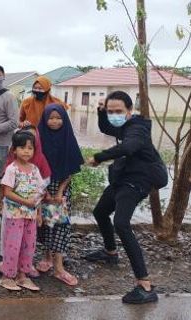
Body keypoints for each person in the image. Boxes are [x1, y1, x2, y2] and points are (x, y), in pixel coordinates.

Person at [85, 91, 166, 304]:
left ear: (130, 111)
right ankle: (110, 253)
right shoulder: (123, 124)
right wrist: (101, 112)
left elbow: (129, 146)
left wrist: (99, 157)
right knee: (100, 212)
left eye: (118, 111)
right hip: (124, 176)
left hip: (139, 180)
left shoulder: (138, 127)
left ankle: (145, 285)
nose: (115, 115)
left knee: (121, 223)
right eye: (112, 111)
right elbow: (106, 128)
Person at [36, 103, 84, 286]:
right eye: (51, 118)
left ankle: (58, 267)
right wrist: (45, 191)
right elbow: (35, 165)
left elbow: (71, 168)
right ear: (45, 119)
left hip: (61, 189)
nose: (54, 121)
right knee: (46, 224)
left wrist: (59, 191)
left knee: (60, 224)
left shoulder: (68, 138)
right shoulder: (39, 139)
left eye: (58, 118)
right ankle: (47, 257)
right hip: (43, 187)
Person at [0, 130, 45, 292]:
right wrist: (25, 202)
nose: (26, 151)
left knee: (28, 245)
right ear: (14, 150)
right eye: (23, 147)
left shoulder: (34, 169)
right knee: (13, 245)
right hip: (14, 215)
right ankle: (7, 276)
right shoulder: (12, 169)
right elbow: (7, 192)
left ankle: (22, 275)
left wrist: (38, 213)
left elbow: (39, 192)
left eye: (30, 148)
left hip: (30, 215)